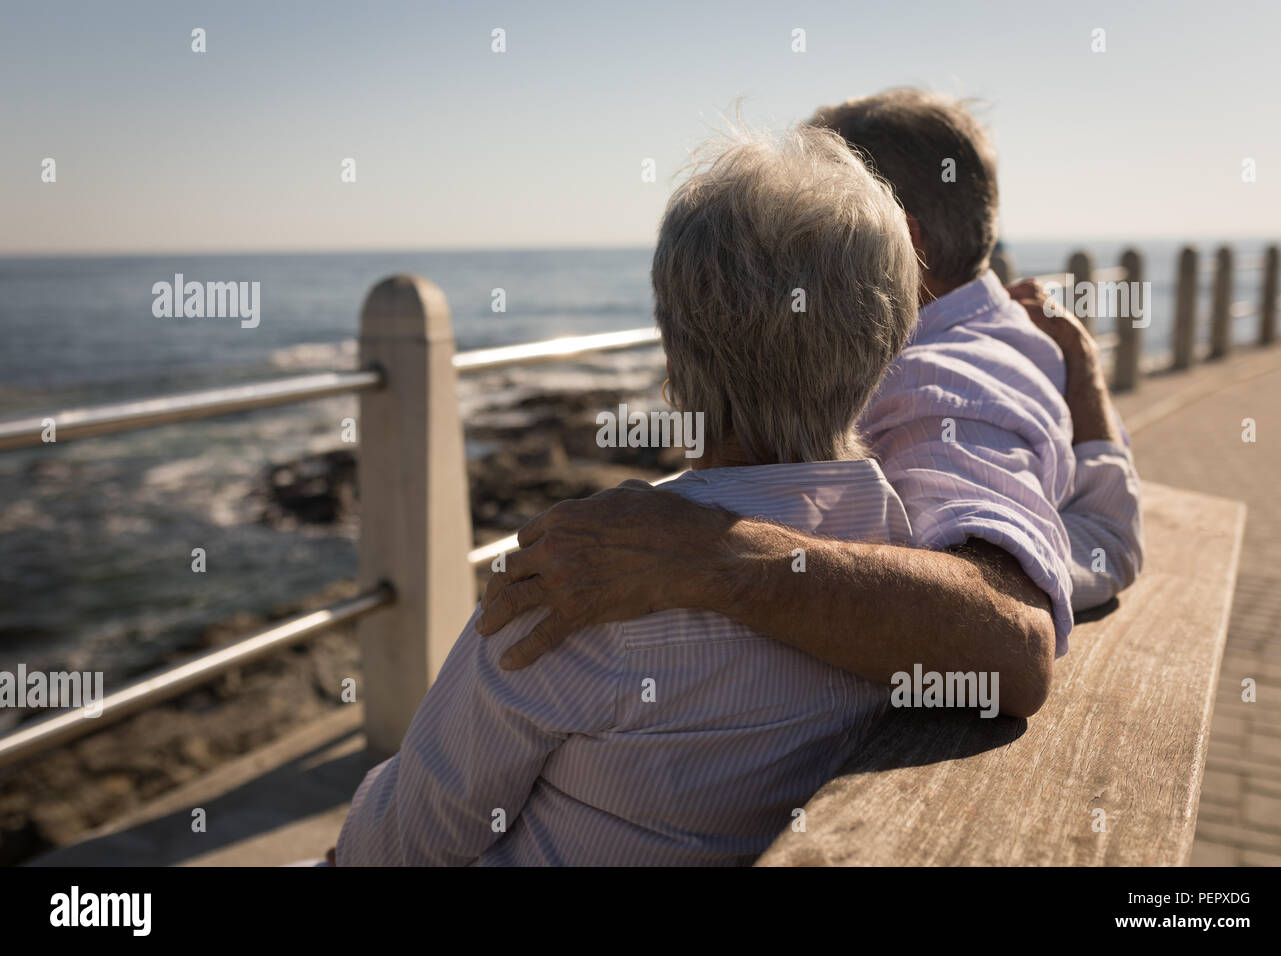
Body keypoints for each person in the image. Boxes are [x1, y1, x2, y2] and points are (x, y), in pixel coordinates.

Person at [337, 124, 922, 865]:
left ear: (674, 352)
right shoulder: (904, 569)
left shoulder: (584, 587)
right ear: (888, 342)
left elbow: (398, 848)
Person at [476, 89, 1144, 708]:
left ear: (905, 244)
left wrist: (701, 552)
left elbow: (1011, 647)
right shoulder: (997, 332)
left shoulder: (932, 392)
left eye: (821, 217)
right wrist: (1082, 377)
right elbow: (1105, 545)